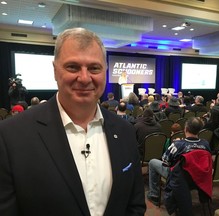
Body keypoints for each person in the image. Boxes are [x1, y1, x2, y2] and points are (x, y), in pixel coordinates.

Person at [0, 27, 146, 215]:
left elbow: (135, 205)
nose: (84, 78)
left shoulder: (125, 130)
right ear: (55, 71)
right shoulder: (10, 136)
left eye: (94, 68)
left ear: (105, 72)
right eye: (73, 67)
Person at [146, 117, 211, 211]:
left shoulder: (178, 144)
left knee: (152, 162)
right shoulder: (206, 144)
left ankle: (154, 194)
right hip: (199, 178)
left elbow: (165, 161)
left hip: (180, 179)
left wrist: (174, 145)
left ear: (186, 129)